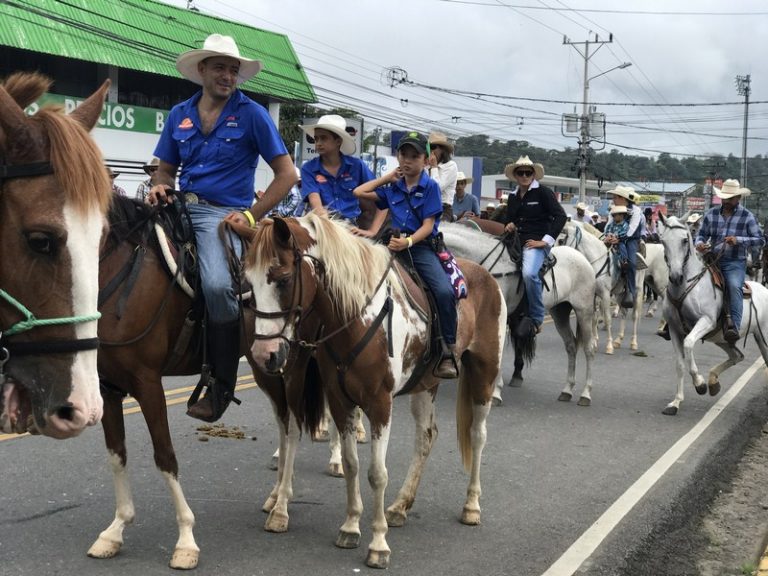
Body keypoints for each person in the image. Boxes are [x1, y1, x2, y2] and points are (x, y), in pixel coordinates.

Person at [148, 33, 296, 422]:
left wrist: (250, 216)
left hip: (223, 214)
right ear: (202, 70)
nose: (228, 76)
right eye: (220, 68)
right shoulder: (180, 112)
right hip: (178, 206)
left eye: (233, 70)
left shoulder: (252, 114)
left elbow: (286, 175)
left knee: (215, 285)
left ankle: (221, 385)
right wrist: (160, 185)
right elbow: (165, 169)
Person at [353, 131, 458, 378]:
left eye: (415, 156)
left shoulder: (430, 187)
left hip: (419, 247)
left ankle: (446, 349)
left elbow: (429, 225)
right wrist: (387, 177)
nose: (408, 161)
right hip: (389, 244)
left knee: (443, 291)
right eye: (403, 155)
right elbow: (359, 192)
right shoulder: (393, 188)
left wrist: (408, 242)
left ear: (426, 159)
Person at [499, 156, 567, 333]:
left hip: (534, 243)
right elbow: (510, 219)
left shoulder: (543, 192)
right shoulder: (513, 197)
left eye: (527, 172)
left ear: (533, 175)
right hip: (515, 241)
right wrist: (509, 224)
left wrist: (545, 241)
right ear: (515, 175)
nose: (524, 175)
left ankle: (537, 317)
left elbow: (560, 216)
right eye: (520, 173)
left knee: (529, 274)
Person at [694, 179, 764, 343]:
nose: (726, 201)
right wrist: (699, 244)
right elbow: (701, 234)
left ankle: (734, 327)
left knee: (733, 287)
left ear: (737, 198)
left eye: (730, 198)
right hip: (711, 260)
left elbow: (760, 240)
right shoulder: (711, 214)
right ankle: (677, 321)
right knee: (688, 280)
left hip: (734, 262)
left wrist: (738, 240)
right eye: (724, 198)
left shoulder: (747, 216)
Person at [299, 114, 382, 230]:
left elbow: (382, 195)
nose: (318, 143)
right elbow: (316, 206)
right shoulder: (308, 169)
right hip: (323, 226)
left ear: (338, 141)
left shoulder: (357, 166)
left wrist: (373, 230)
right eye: (316, 138)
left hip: (351, 227)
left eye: (323, 138)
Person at [609, 186, 646, 304]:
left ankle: (631, 291)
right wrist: (608, 235)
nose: (613, 199)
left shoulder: (636, 211)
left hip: (630, 240)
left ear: (623, 198)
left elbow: (632, 230)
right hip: (615, 238)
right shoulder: (614, 209)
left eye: (615, 197)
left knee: (631, 262)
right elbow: (609, 224)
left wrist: (618, 238)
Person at [427, 132, 458, 222]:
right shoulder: (426, 165)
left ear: (442, 149)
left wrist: (434, 167)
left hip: (443, 209)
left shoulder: (451, 166)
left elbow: (436, 188)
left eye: (433, 147)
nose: (431, 151)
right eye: (429, 147)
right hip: (426, 207)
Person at [604, 205, 630, 270]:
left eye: (614, 215)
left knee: (622, 246)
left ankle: (624, 260)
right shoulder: (612, 224)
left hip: (620, 241)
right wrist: (609, 235)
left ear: (621, 216)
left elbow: (624, 233)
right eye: (613, 215)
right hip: (611, 240)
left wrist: (617, 236)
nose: (613, 217)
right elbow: (608, 230)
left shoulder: (625, 225)